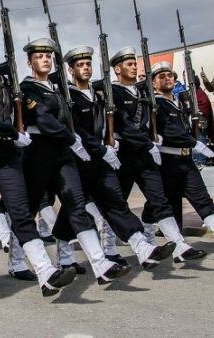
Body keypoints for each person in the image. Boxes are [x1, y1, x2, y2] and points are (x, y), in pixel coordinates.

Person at [0, 20, 77, 297]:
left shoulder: (6, 78)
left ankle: (45, 272)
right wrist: (12, 130)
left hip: (7, 152)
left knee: (21, 211)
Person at [20, 37, 131, 284]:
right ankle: (17, 261)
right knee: (27, 210)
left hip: (62, 152)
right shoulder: (28, 89)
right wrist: (72, 139)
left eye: (49, 56)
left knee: (76, 204)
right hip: (38, 151)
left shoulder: (58, 88)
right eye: (39, 56)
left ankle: (100, 264)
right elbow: (44, 120)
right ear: (29, 62)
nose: (45, 60)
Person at [64, 46, 175, 269]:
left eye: (88, 64)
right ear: (70, 70)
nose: (85, 68)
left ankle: (142, 248)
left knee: (116, 203)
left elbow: (113, 124)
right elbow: (79, 131)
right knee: (72, 213)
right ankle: (65, 257)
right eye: (80, 65)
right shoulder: (69, 97)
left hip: (102, 161)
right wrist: (102, 148)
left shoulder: (99, 96)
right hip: (80, 161)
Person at [110, 46, 205, 263]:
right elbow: (124, 125)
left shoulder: (143, 91)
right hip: (124, 153)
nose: (134, 67)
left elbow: (157, 88)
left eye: (135, 64)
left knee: (159, 199)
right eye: (129, 64)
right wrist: (148, 141)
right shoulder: (112, 92)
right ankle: (109, 250)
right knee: (117, 202)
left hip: (144, 153)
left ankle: (179, 245)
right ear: (117, 69)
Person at [151, 61, 214, 253]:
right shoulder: (156, 105)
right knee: (167, 204)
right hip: (168, 161)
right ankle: (176, 246)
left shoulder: (179, 101)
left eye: (170, 75)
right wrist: (194, 143)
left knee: (202, 198)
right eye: (162, 76)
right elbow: (169, 131)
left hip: (186, 160)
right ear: (153, 83)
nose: (167, 79)